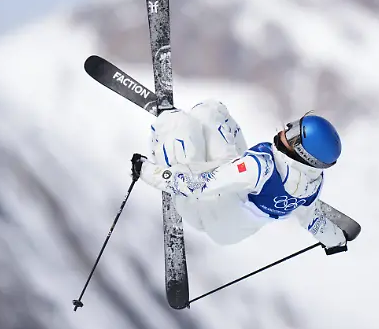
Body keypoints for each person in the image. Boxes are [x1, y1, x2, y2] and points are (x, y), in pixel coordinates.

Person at [130, 99, 347, 251]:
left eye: (293, 133)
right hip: (232, 223)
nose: (285, 129)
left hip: (203, 210)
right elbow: (313, 220)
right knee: (211, 111)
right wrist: (335, 240)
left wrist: (146, 170)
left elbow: (198, 186)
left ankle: (172, 131)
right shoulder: (313, 183)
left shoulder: (261, 168)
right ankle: (191, 129)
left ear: (302, 153)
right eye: (295, 124)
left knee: (175, 123)